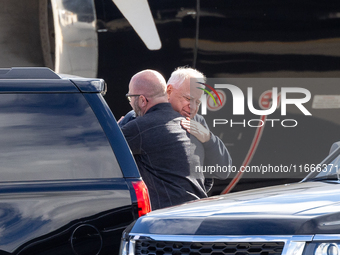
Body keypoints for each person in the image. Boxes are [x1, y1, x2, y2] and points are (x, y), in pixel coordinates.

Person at [119, 67, 232, 192]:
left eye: (198, 102)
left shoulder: (197, 123)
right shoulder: (137, 118)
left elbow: (223, 171)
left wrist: (209, 139)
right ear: (169, 91)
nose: (193, 107)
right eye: (188, 99)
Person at [120, 69, 210, 210]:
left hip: (171, 218)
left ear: (142, 100)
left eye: (130, 98)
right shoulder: (192, 126)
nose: (131, 103)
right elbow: (208, 179)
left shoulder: (137, 127)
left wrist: (118, 128)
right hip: (199, 212)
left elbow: (101, 153)